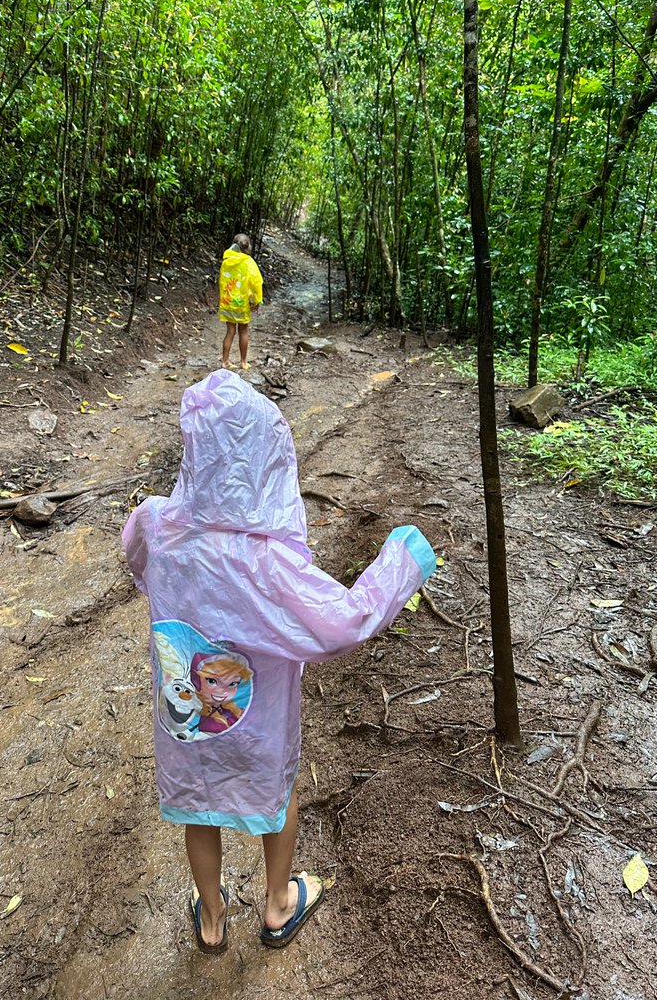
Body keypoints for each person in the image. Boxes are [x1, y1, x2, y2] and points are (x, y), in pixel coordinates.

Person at [122, 369, 436, 954]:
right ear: (271, 459)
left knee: (199, 802)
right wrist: (403, 559)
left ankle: (212, 918)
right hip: (259, 720)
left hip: (185, 716)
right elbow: (343, 622)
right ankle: (276, 904)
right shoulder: (267, 561)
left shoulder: (158, 524)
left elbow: (135, 556)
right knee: (276, 792)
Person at [218, 233, 263, 370]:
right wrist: (256, 300)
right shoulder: (249, 262)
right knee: (243, 331)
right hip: (242, 302)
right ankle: (243, 362)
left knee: (230, 331)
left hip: (228, 301)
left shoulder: (226, 261)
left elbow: (222, 281)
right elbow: (256, 282)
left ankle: (225, 361)